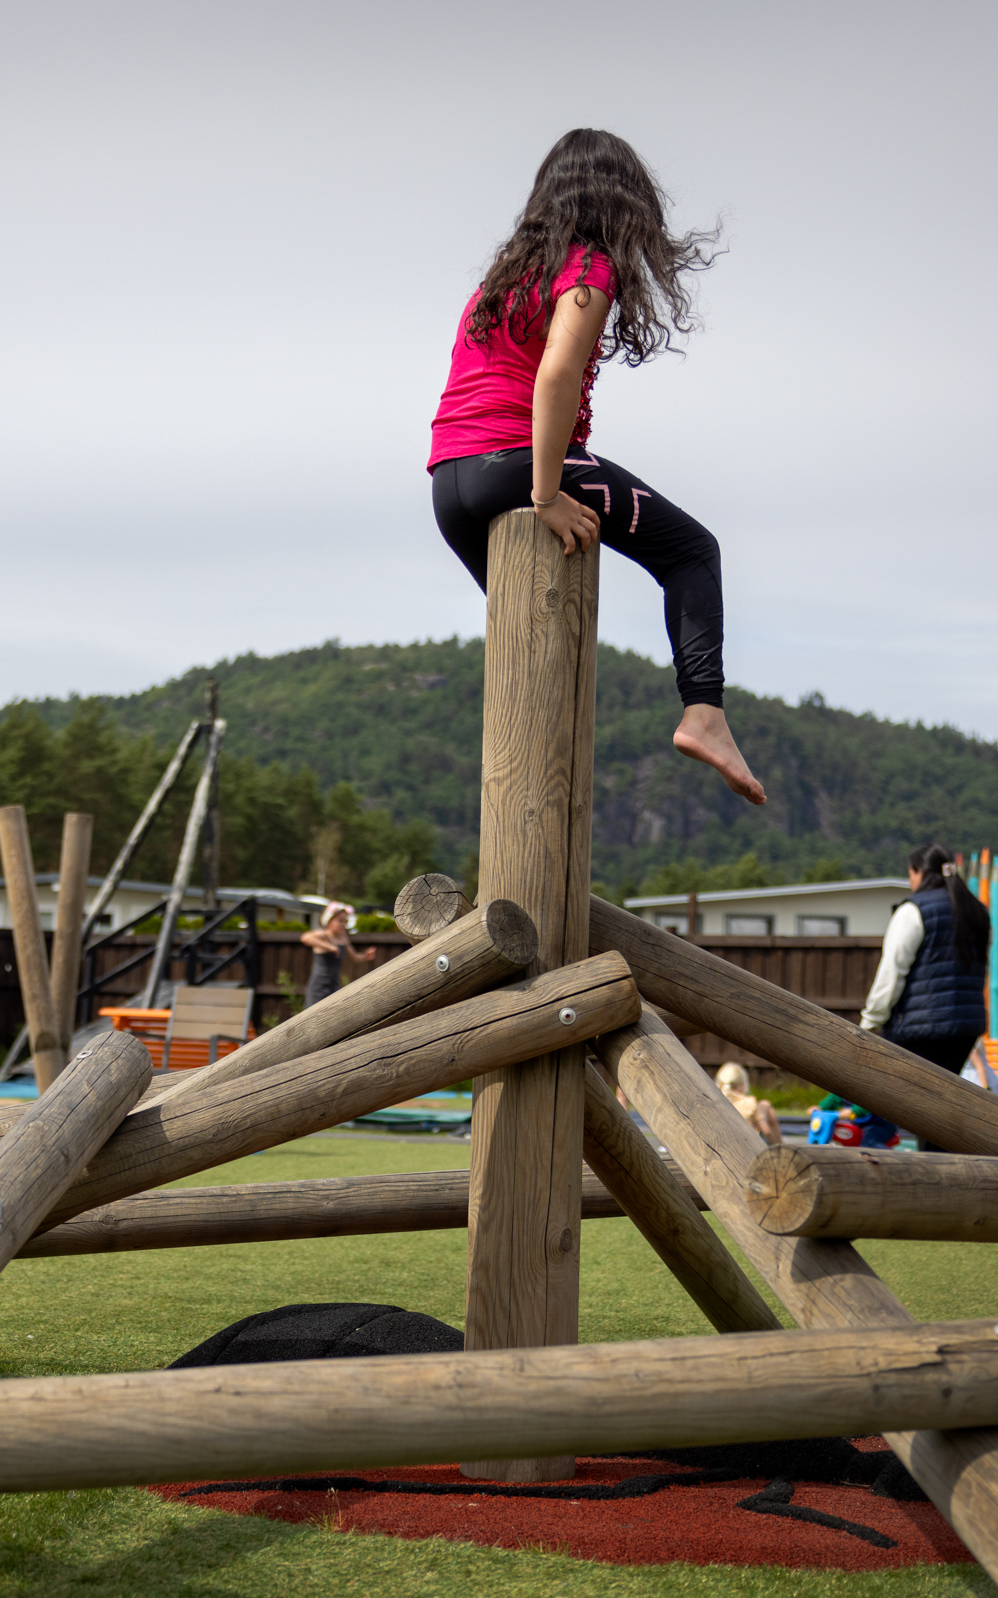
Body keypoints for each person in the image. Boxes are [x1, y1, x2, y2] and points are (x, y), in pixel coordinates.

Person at [428, 128, 763, 807]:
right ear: (620, 203)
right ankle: (705, 714)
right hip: (516, 464)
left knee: (536, 637)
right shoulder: (587, 268)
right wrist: (546, 492)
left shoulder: (503, 277)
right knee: (693, 551)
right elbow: (555, 376)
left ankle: (524, 805)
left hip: (450, 481)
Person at [859, 843, 993, 1149]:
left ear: (919, 873)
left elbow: (893, 969)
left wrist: (871, 1020)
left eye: (911, 874)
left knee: (888, 1098)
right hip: (964, 1027)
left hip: (922, 1027)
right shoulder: (976, 911)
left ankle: (880, 1155)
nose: (910, 882)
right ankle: (945, 1168)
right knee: (940, 1109)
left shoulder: (914, 910)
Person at [299, 903, 365, 1008]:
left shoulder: (343, 938)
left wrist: (365, 956)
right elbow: (305, 937)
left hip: (333, 984)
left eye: (345, 921)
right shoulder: (324, 935)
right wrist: (329, 947)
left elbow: (354, 957)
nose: (344, 924)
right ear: (328, 921)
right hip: (319, 986)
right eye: (340, 921)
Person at [714, 1060, 783, 1145]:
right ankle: (782, 1146)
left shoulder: (714, 1101)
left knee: (764, 1105)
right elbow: (767, 1131)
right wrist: (774, 1145)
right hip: (748, 1145)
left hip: (722, 1143)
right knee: (765, 1104)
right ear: (741, 1085)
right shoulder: (748, 1103)